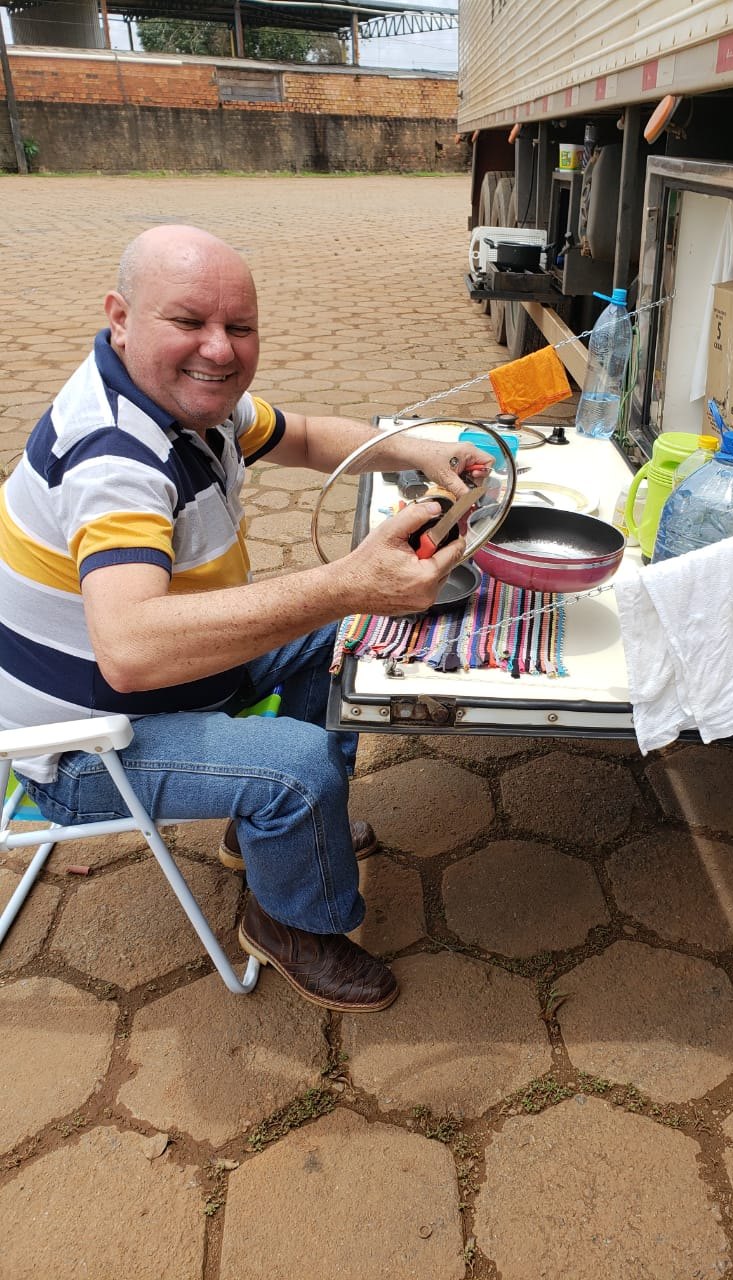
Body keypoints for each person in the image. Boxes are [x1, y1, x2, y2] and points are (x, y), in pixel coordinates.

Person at [0, 224, 492, 1012]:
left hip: (171, 675)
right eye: (188, 321)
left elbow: (305, 437)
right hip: (85, 744)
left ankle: (266, 836)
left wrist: (417, 450)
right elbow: (130, 651)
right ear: (120, 317)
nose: (220, 349)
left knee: (346, 636)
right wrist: (347, 582)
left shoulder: (190, 401)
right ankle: (291, 923)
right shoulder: (114, 455)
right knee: (298, 767)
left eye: (240, 327)